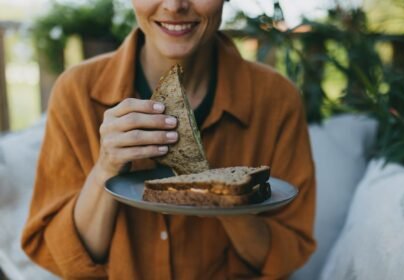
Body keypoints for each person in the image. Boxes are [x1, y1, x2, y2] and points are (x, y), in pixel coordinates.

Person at [21, 0, 316, 279]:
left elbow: (284, 258)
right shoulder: (76, 91)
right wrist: (106, 168)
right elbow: (64, 260)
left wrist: (224, 194)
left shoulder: (277, 99)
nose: (175, 6)